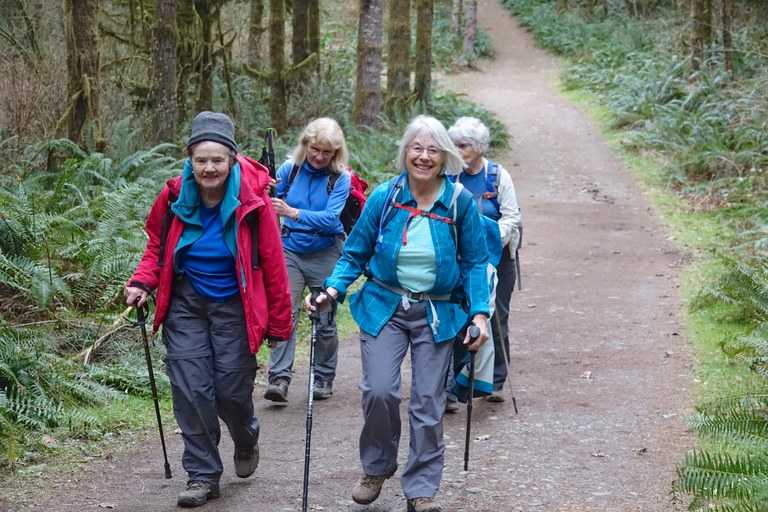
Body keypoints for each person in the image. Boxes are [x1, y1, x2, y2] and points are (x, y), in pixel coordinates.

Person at [306, 115, 491, 512]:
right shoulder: (385, 197)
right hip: (384, 305)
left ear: (444, 158)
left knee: (428, 401)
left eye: (432, 150)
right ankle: (377, 467)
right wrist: (332, 290)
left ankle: (421, 488)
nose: (423, 157)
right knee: (379, 391)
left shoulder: (459, 203)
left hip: (437, 312)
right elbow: (354, 252)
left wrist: (479, 316)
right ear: (405, 153)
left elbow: (476, 262)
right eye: (416, 148)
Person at [124, 111, 292, 508]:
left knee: (231, 390)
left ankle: (246, 436)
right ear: (190, 160)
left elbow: (273, 262)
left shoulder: (253, 201)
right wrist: (141, 281)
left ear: (232, 159)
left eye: (217, 159)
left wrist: (281, 326)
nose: (209, 167)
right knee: (189, 388)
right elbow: (156, 247)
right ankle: (202, 475)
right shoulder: (171, 197)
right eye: (201, 160)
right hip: (186, 302)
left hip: (236, 304)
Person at [264, 117, 351, 403]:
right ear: (305, 144)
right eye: (315, 149)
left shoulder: (340, 178)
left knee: (323, 316)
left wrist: (293, 213)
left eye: (327, 152)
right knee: (284, 312)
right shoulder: (290, 171)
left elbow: (331, 219)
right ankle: (279, 378)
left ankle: (323, 378)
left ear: (336, 153)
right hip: (289, 249)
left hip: (326, 251)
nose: (319, 156)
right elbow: (269, 204)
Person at [448, 116, 521, 403]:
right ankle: (455, 383)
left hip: (499, 259)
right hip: (459, 259)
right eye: (454, 145)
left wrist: (486, 240)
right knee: (457, 316)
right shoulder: (449, 176)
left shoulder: (497, 175)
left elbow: (511, 216)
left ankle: (495, 379)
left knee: (497, 317)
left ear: (479, 146)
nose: (458, 150)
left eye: (463, 145)